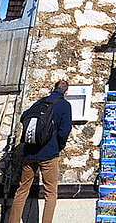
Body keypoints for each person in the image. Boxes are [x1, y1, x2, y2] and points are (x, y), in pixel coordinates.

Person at [9, 80, 73, 223]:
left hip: (30, 151)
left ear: (53, 89)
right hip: (49, 154)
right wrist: (58, 146)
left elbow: (24, 117)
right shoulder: (65, 105)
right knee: (50, 193)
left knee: (22, 190)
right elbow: (64, 131)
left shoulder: (40, 102)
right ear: (66, 92)